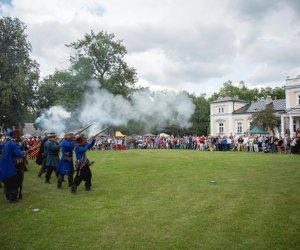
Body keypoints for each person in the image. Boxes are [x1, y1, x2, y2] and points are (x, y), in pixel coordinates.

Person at [0, 130, 25, 203]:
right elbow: (18, 153)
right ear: (16, 138)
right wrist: (23, 153)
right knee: (14, 182)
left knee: (7, 181)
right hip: (11, 165)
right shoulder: (14, 144)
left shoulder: (6, 143)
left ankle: (8, 196)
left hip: (5, 165)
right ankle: (13, 198)